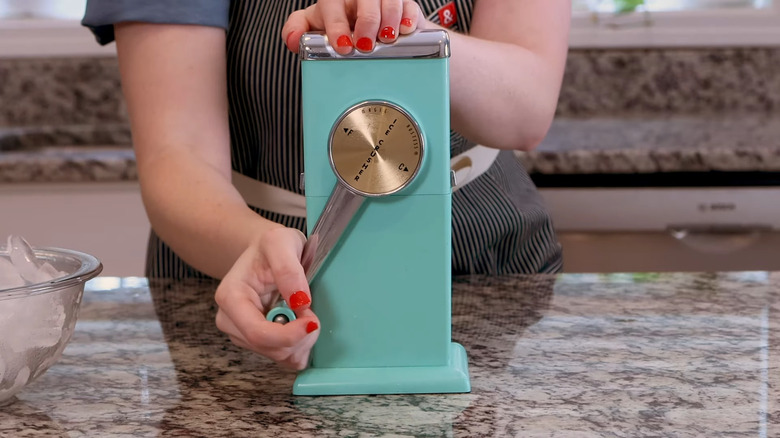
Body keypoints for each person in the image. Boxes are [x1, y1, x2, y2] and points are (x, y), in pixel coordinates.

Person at [82, 0, 571, 370]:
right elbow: (177, 150)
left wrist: (411, 37)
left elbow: (526, 111)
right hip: (240, 266)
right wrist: (258, 248)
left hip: (478, 257)